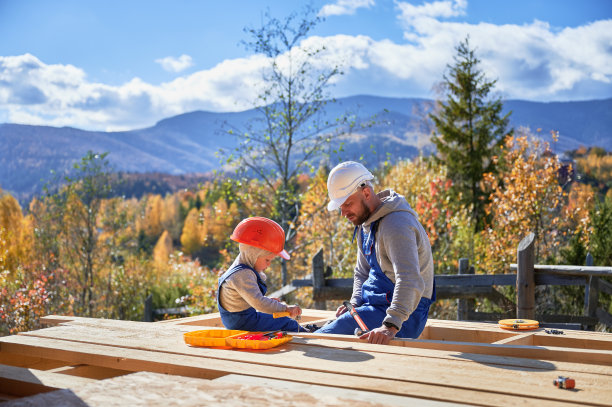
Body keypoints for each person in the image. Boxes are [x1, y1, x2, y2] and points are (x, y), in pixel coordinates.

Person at [315, 161, 435, 345]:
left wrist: (390, 325)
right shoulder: (366, 224)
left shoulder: (396, 225)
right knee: (321, 332)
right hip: (375, 307)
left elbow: (410, 278)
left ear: (366, 193)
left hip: (405, 317)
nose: (343, 213)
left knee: (320, 342)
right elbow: (361, 272)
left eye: (347, 204)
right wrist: (354, 303)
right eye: (340, 206)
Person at [217, 216, 303, 332]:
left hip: (242, 319)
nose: (268, 265)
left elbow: (250, 299)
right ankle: (310, 336)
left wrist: (269, 302)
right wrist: (286, 308)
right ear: (253, 255)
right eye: (267, 260)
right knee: (285, 322)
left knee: (278, 320)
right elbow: (259, 303)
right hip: (243, 323)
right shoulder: (243, 275)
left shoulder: (241, 270)